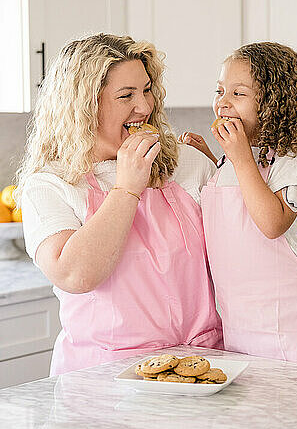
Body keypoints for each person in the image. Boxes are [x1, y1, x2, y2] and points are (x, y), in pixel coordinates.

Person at [15, 33, 222, 375]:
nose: (145, 106)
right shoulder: (50, 186)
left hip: (202, 370)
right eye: (126, 95)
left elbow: (246, 240)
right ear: (81, 108)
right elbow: (75, 274)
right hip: (103, 382)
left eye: (146, 89)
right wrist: (128, 188)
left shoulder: (186, 163)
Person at [179, 42, 297, 366]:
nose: (222, 102)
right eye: (220, 90)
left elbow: (271, 223)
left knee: (291, 411)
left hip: (286, 324)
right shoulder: (239, 157)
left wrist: (239, 158)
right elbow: (239, 204)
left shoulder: (288, 157)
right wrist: (216, 161)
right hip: (241, 322)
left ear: (274, 106)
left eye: (238, 94)